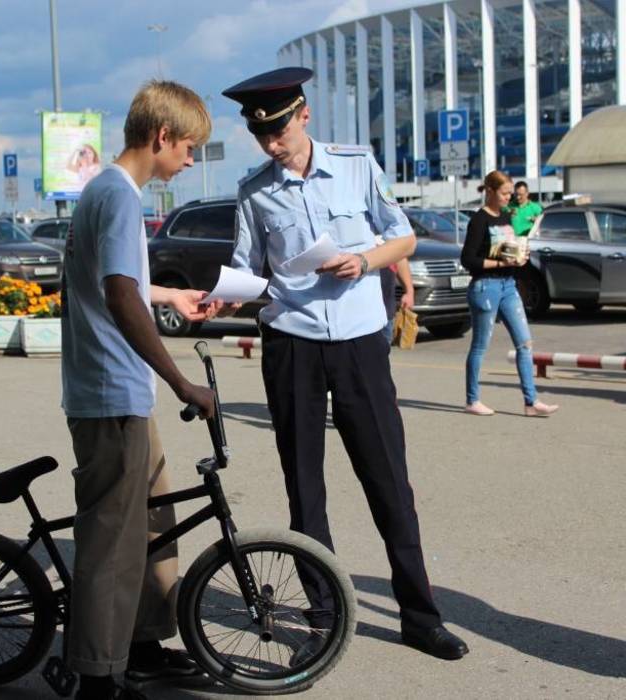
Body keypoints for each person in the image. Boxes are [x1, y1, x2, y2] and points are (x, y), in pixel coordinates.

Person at [222, 67, 469, 661]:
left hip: (359, 341)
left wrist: (363, 261)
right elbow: (248, 267)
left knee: (388, 481)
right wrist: (226, 293)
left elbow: (402, 237)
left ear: (304, 115)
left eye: (278, 129)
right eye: (261, 135)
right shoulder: (254, 190)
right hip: (291, 345)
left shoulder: (358, 165)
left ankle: (420, 616)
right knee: (305, 490)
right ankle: (323, 619)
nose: (271, 142)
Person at [61, 80, 221, 700]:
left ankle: (144, 643)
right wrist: (180, 380)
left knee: (155, 524)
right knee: (114, 542)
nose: (190, 160)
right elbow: (119, 294)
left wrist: (170, 295)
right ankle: (98, 675)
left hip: (120, 393)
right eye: (189, 148)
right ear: (161, 137)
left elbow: (121, 279)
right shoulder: (120, 197)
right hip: (111, 395)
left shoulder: (105, 189)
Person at [460, 171, 558, 417]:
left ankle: (531, 401)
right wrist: (500, 264)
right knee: (480, 346)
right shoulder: (479, 220)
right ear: (490, 191)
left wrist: (519, 258)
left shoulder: (505, 216)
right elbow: (468, 259)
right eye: (504, 193)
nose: (508, 198)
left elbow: (507, 250)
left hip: (508, 286)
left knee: (525, 343)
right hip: (486, 287)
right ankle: (472, 399)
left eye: (510, 194)